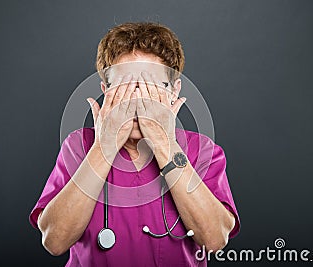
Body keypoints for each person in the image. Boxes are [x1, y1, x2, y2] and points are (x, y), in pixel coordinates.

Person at [29, 22, 240, 266]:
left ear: (174, 90)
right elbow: (54, 241)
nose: (138, 101)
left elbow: (215, 240)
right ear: (105, 90)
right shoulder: (78, 145)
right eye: (125, 88)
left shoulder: (202, 151)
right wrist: (105, 146)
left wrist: (164, 143)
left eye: (151, 89)